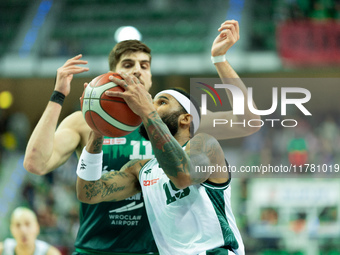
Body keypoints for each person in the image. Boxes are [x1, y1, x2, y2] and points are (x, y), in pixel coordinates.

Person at [24, 20, 258, 254]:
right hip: (96, 247)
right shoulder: (87, 125)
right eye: (128, 64)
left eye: (144, 65)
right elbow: (38, 164)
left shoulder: (177, 118)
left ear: (151, 77)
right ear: (112, 75)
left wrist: (219, 59)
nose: (137, 70)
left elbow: (249, 121)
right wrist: (59, 98)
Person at [76, 83, 245, 254]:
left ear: (186, 118)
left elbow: (183, 176)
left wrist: (146, 110)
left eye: (162, 102)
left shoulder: (205, 145)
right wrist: (97, 131)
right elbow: (89, 193)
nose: (152, 106)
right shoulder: (140, 168)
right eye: (152, 103)